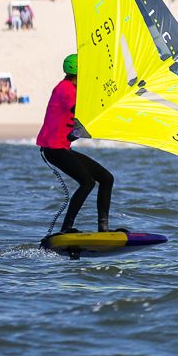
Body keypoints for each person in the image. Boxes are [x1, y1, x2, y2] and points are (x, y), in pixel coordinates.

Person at [37, 54, 115, 234]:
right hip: (54, 150)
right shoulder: (65, 89)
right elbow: (79, 111)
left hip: (61, 148)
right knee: (87, 182)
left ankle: (103, 229)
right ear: (78, 73)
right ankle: (66, 229)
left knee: (106, 178)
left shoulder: (73, 88)